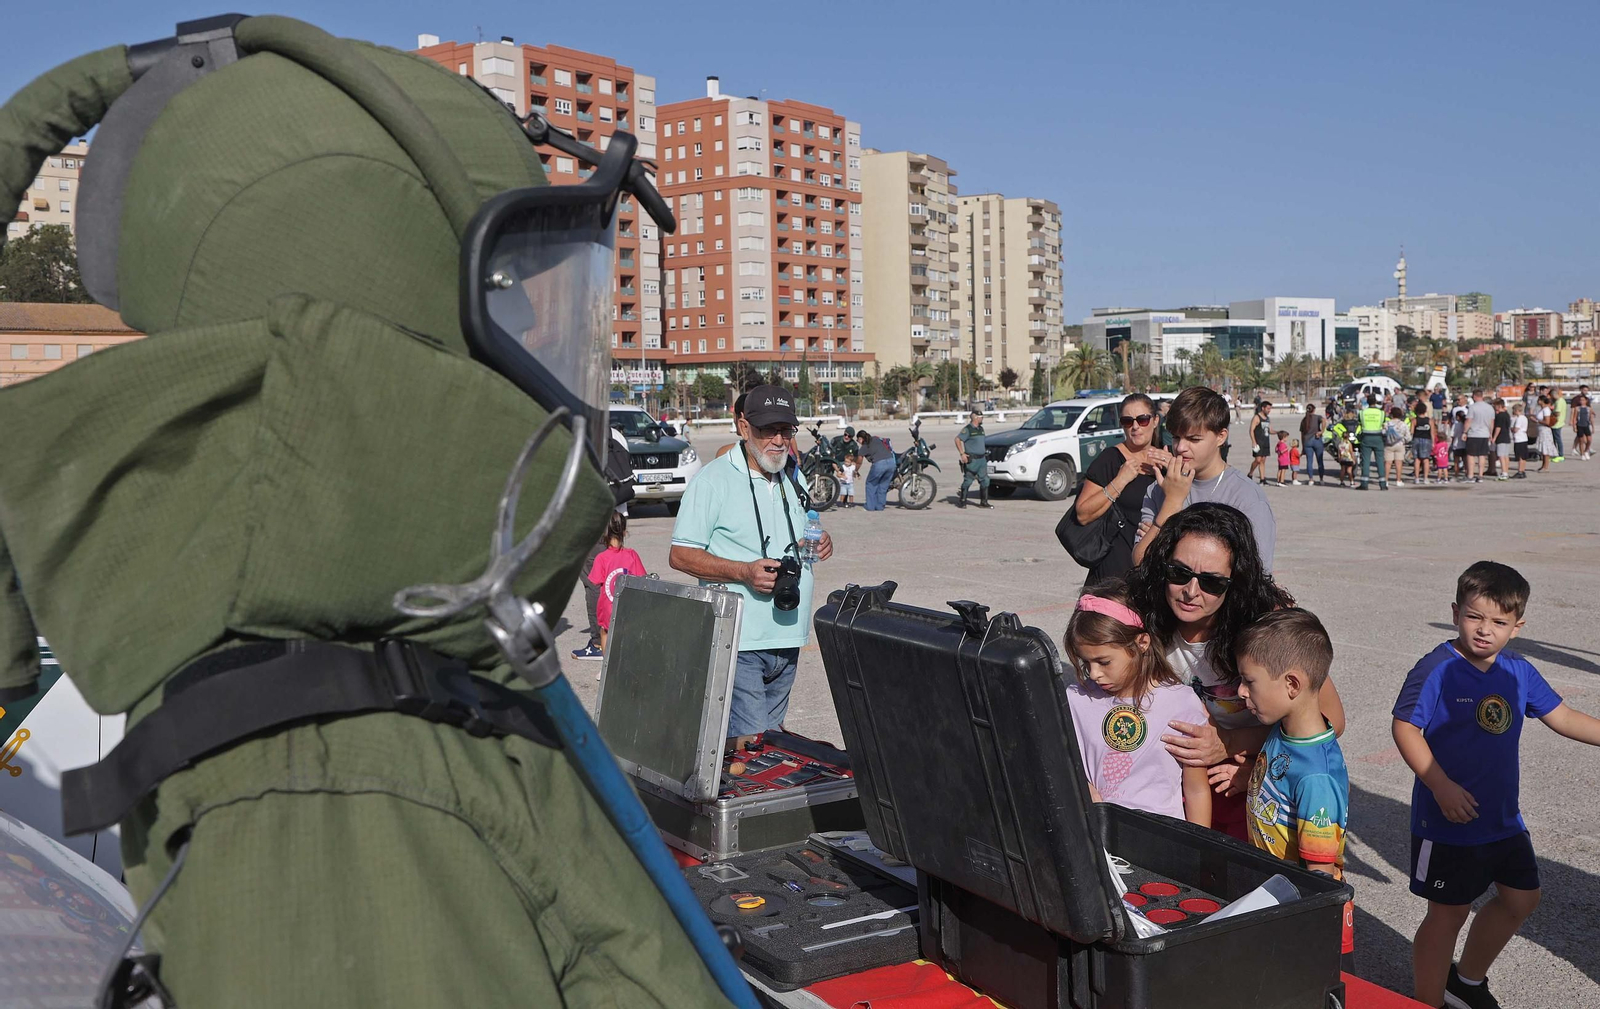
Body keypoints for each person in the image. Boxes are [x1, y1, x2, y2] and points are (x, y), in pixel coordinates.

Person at [0, 18, 738, 1006]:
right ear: (396, 313)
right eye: (513, 301)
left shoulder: (376, 671)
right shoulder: (343, 784)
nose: (554, 365)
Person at [1392, 561, 1600, 1009]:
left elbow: (1562, 717)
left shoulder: (1518, 671)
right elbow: (1405, 728)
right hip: (1446, 822)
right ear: (1455, 612)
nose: (1484, 630)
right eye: (1474, 616)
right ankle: (1426, 1001)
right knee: (1448, 915)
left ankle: (1465, 982)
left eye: (1498, 622)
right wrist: (1440, 785)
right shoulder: (1437, 669)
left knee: (1522, 899)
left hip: (1503, 819)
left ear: (1517, 626)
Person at [1129, 503, 1345, 841]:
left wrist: (1237, 749)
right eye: (1179, 572)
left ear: (1236, 582)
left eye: (1212, 582)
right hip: (1161, 782)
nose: (1191, 591)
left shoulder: (1265, 624)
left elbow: (1329, 717)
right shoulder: (1141, 615)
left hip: (1237, 782)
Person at [671, 385, 834, 743]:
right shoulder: (712, 481)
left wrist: (819, 540)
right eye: (766, 430)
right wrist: (743, 572)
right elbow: (681, 555)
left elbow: (801, 527)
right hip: (738, 641)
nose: (778, 440)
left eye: (786, 430)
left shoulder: (793, 475)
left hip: (789, 637)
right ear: (744, 428)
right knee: (753, 745)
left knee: (770, 748)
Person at [1236, 609, 1354, 972]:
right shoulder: (1285, 729)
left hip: (1305, 920)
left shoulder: (1316, 777)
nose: (1241, 692)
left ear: (1291, 685)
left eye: (1249, 682)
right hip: (1276, 896)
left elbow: (1316, 878)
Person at [1063, 583, 1210, 827]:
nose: (1094, 673)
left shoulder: (1181, 702)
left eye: (1104, 662)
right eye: (1086, 663)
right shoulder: (1076, 699)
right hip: (1096, 835)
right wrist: (1082, 786)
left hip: (1161, 840)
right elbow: (1059, 762)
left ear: (1142, 643)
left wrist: (1202, 856)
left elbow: (1196, 790)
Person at [1132, 386, 1277, 571]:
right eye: (1176, 437)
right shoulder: (1158, 488)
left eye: (1193, 439)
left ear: (1220, 437)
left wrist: (1164, 543)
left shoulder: (1246, 498)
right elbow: (1139, 563)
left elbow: (1255, 576)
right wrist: (1172, 503)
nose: (1181, 447)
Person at [1074, 394, 1170, 582]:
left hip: (1155, 569)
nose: (1135, 427)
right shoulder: (1109, 460)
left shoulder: (1168, 459)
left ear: (1155, 420)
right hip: (1115, 571)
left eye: (1142, 420)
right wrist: (1120, 481)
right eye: (1128, 421)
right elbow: (1082, 514)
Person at [574, 426, 640, 660]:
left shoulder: (580, 432)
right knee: (617, 580)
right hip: (617, 518)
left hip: (593, 519)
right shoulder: (615, 434)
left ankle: (599, 643)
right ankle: (621, 636)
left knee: (595, 582)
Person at [587, 511, 646, 659]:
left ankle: (606, 666)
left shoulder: (601, 558)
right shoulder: (632, 554)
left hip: (607, 606)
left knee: (605, 631)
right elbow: (642, 578)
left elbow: (594, 580)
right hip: (628, 605)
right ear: (625, 532)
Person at [955, 409, 992, 509]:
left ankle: (984, 502)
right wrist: (962, 454)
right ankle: (962, 501)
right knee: (968, 480)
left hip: (982, 459)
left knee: (985, 480)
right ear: (975, 417)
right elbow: (957, 439)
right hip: (972, 460)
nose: (982, 418)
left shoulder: (981, 429)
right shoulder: (968, 429)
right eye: (980, 417)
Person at [857, 429, 896, 511]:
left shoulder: (864, 447)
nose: (858, 442)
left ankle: (870, 506)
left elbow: (859, 461)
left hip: (879, 464)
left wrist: (856, 470)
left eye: (858, 440)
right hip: (891, 462)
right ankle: (880, 506)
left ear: (861, 439)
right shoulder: (876, 438)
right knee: (883, 485)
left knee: (870, 483)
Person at [1356, 393, 1388, 491]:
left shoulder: (1362, 412)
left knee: (1365, 461)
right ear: (1376, 402)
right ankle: (1383, 484)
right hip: (1378, 438)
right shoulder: (1382, 413)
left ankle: (1364, 484)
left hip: (1366, 437)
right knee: (1380, 461)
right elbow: (1384, 424)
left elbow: (1359, 424)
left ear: (1367, 402)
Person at [1464, 389, 1494, 484]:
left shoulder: (1472, 407)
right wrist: (1490, 433)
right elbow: (1491, 422)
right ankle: (1480, 475)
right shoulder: (1490, 408)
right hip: (1484, 433)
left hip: (1474, 433)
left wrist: (1464, 432)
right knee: (1482, 455)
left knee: (1471, 455)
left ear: (1475, 396)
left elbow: (1468, 420)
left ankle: (1470, 475)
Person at [1301, 403, 1327, 486]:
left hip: (1307, 441)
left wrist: (1303, 447)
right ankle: (1321, 479)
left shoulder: (1304, 420)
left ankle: (1311, 479)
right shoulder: (1317, 417)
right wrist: (1322, 431)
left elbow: (1302, 435)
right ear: (1314, 410)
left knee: (1309, 461)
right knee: (1320, 461)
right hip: (1316, 440)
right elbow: (1324, 420)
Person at [1247, 400, 1273, 485]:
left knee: (1263, 461)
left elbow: (1270, 430)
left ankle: (1262, 479)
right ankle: (1250, 474)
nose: (1269, 410)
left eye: (1270, 409)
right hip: (1258, 442)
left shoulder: (1268, 419)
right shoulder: (1257, 417)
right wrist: (1253, 441)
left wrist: (1279, 432)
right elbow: (1251, 430)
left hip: (1266, 442)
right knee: (1257, 460)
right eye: (1268, 408)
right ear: (1263, 408)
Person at [1384, 406, 1409, 487]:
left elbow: (1383, 433)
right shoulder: (1403, 424)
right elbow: (1408, 437)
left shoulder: (1387, 424)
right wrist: (1404, 441)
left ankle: (1385, 480)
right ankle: (1398, 480)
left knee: (1388, 463)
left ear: (1391, 415)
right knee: (1399, 462)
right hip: (1400, 444)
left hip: (1388, 445)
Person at [1411, 402, 1435, 484]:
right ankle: (1425, 478)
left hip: (1416, 439)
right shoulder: (1430, 420)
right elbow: (1432, 432)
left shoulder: (1414, 420)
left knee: (1417, 459)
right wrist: (1433, 442)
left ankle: (1416, 478)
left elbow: (1411, 431)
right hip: (1427, 439)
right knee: (1426, 459)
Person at [1490, 398, 1511, 481]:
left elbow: (1498, 428)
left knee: (1501, 456)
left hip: (1501, 437)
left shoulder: (1499, 416)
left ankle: (1504, 473)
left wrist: (1494, 437)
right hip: (1506, 436)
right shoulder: (1506, 414)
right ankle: (1506, 471)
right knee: (1505, 456)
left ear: (1498, 406)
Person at [1533, 396, 1556, 472]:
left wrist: (1536, 421)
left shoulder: (1546, 410)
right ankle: (1543, 465)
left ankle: (1546, 466)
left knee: (1546, 448)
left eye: (1539, 400)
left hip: (1545, 430)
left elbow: (1547, 422)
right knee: (1543, 448)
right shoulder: (1542, 409)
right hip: (1541, 430)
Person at [1509, 402, 1530, 479]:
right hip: (1524, 438)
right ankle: (1523, 470)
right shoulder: (1524, 418)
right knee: (1523, 456)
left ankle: (1520, 471)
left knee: (1520, 456)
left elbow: (1515, 429)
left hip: (1519, 439)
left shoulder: (1519, 418)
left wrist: (1512, 428)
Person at [1573, 393, 1592, 460]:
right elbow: (1575, 418)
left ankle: (1586, 451)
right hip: (1579, 425)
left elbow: (1590, 418)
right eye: (1581, 400)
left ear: (1586, 401)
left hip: (1586, 425)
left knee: (1589, 440)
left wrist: (1593, 427)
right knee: (1581, 441)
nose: (1582, 401)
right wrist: (1574, 427)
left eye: (1583, 400)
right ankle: (1582, 454)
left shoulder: (1589, 408)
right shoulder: (1577, 408)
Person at [1551, 389, 1568, 461]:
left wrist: (1551, 411)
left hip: (1556, 423)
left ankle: (1560, 455)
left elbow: (1557, 413)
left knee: (1557, 439)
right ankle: (1555, 453)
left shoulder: (1558, 402)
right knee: (1555, 439)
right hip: (1559, 422)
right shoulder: (1562, 400)